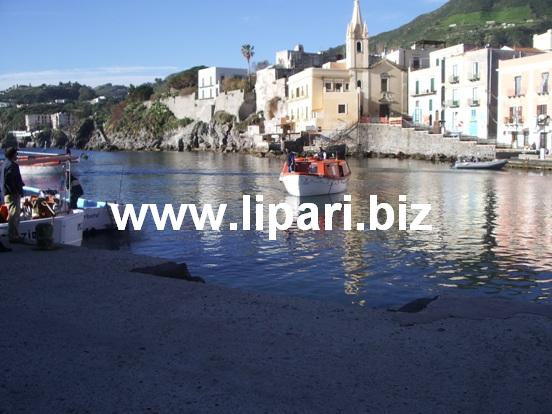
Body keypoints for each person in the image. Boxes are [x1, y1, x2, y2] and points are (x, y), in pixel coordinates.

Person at [3, 147, 25, 243]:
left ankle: (15, 235)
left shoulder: (5, 164)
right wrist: (14, 192)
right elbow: (9, 180)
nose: (17, 156)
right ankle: (13, 236)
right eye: (16, 154)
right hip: (12, 195)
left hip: (9, 193)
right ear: (13, 155)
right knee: (14, 215)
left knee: (14, 215)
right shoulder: (12, 165)